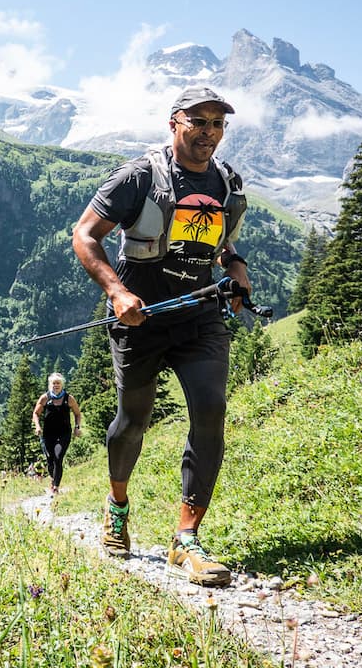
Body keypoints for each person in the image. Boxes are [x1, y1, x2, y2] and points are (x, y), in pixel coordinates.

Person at [71, 86, 251, 587]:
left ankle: (186, 539)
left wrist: (235, 270)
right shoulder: (139, 177)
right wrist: (116, 292)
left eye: (218, 124)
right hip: (140, 318)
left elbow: (222, 246)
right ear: (175, 122)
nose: (209, 133)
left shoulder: (227, 183)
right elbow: (85, 234)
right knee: (134, 419)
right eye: (200, 122)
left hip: (199, 315)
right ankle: (118, 505)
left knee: (211, 411)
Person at [32, 373, 82, 494]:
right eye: (54, 383)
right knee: (50, 459)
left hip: (64, 434)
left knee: (58, 458)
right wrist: (38, 426)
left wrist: (77, 427)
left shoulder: (69, 398)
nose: (56, 385)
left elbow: (77, 413)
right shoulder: (45, 398)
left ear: (62, 384)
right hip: (48, 434)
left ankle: (56, 487)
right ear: (50, 385)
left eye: (58, 383)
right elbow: (36, 413)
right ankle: (53, 479)